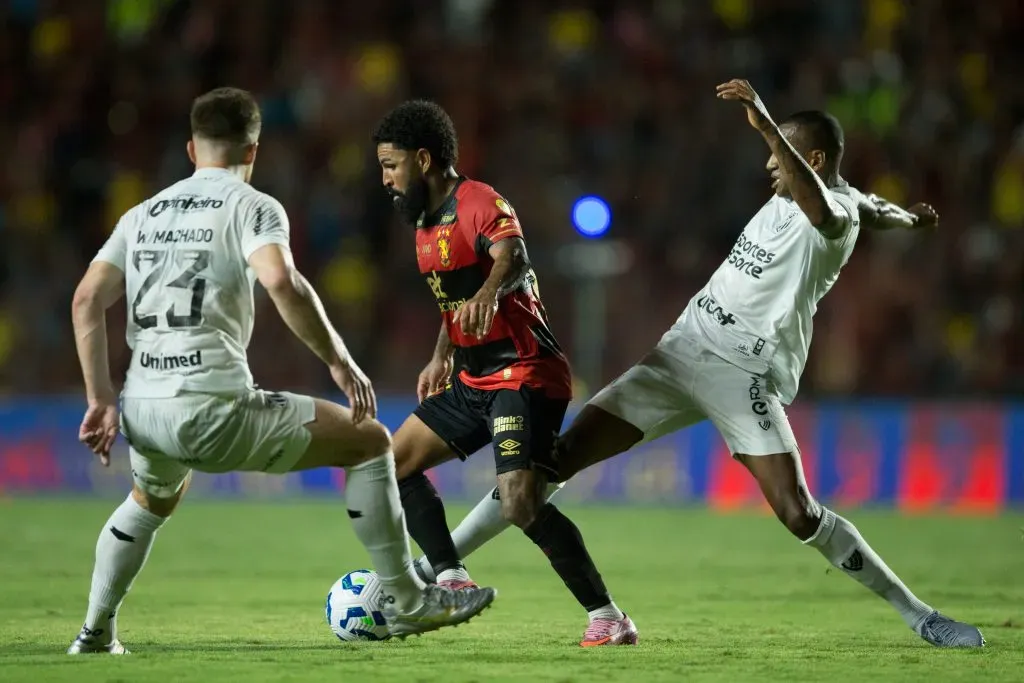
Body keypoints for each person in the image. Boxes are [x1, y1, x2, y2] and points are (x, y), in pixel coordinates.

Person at [409, 79, 986, 648]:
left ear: (808, 159)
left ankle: (919, 616)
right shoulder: (821, 196)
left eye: (777, 154)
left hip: (743, 374)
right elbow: (874, 203)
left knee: (798, 511)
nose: (768, 167)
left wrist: (763, 120)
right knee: (549, 464)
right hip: (682, 351)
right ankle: (439, 570)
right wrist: (909, 218)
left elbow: (840, 206)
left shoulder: (833, 218)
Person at [66, 87, 496, 655]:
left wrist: (99, 399)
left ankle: (95, 631)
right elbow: (280, 280)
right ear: (253, 149)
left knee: (151, 499)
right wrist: (340, 362)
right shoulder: (253, 206)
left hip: (142, 407)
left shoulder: (140, 215)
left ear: (192, 149)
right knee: (369, 441)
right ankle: (410, 600)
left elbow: (86, 301)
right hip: (213, 404)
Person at [372, 100, 636, 647]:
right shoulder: (424, 223)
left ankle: (609, 617)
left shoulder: (479, 201)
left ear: (423, 160)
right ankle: (449, 579)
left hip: (524, 373)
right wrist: (442, 351)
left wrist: (491, 294)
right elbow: (455, 300)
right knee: (390, 465)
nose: (386, 179)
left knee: (520, 502)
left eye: (391, 165)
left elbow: (510, 256)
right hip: (470, 380)